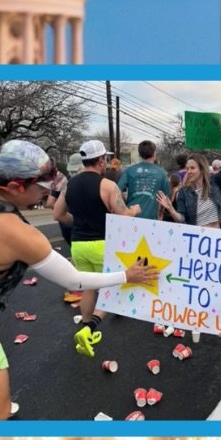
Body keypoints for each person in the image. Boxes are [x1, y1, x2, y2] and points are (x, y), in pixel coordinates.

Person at [0, 138, 157, 419]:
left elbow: (59, 213)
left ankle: (88, 324)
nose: (48, 193)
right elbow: (73, 281)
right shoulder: (15, 231)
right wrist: (127, 275)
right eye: (42, 188)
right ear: (15, 187)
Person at [51, 138, 144, 355]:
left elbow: (57, 214)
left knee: (89, 288)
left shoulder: (69, 185)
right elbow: (124, 216)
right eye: (105, 159)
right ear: (101, 160)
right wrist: (135, 210)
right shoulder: (107, 186)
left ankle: (85, 328)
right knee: (115, 287)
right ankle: (90, 329)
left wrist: (77, 223)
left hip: (78, 245)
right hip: (103, 244)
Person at [156, 153, 221, 228]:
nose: (188, 171)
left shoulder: (214, 183)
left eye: (192, 168)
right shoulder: (183, 192)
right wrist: (171, 209)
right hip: (195, 233)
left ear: (202, 169)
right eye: (187, 168)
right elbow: (182, 219)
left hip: (216, 233)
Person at [118, 139, 171, 221]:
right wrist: (160, 214)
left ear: (139, 154)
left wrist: (125, 205)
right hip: (151, 218)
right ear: (154, 153)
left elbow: (118, 191)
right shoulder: (162, 173)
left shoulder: (129, 170)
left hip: (131, 215)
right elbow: (165, 197)